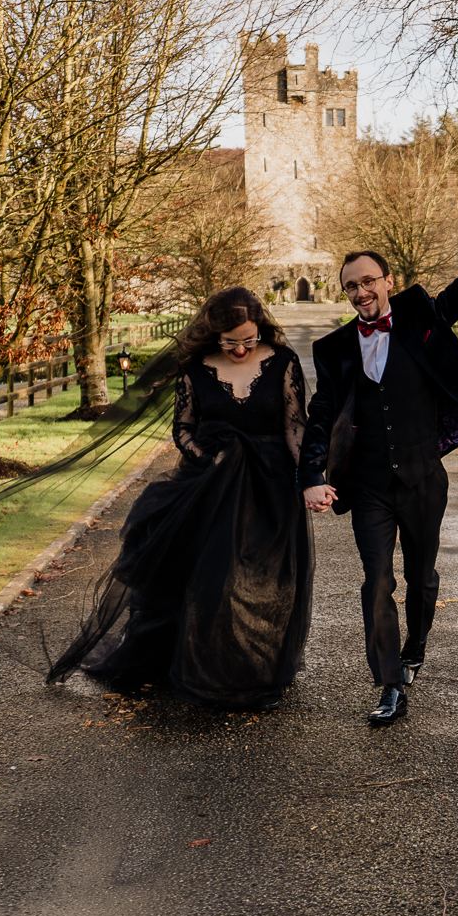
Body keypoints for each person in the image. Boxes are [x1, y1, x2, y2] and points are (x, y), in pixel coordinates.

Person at [299, 182, 458, 725]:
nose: (361, 292)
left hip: (422, 479)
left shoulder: (422, 317)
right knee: (376, 580)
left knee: (423, 578)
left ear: (388, 282)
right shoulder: (334, 350)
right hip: (365, 486)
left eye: (369, 281)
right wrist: (311, 475)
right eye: (351, 287)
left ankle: (415, 650)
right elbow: (320, 416)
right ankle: (389, 684)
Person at [47, 289, 313, 710]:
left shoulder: (283, 362)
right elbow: (183, 430)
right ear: (214, 335)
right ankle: (205, 667)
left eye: (248, 338)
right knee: (212, 581)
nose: (241, 348)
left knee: (259, 582)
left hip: (270, 486)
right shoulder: (194, 369)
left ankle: (250, 666)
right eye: (230, 342)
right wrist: (210, 458)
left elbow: (295, 425)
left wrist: (309, 477)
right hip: (209, 486)